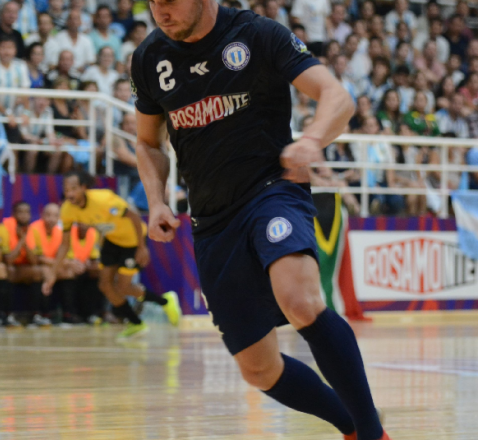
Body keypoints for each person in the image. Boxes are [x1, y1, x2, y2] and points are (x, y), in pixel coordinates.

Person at [131, 3, 388, 440]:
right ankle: (353, 426)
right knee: (259, 369)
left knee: (300, 301)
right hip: (211, 221)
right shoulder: (149, 58)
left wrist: (311, 140)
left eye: (171, 0)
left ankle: (371, 434)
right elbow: (147, 142)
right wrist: (156, 202)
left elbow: (338, 98)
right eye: (153, 2)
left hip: (272, 189)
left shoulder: (257, 33)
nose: (161, 11)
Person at [42, 170, 181, 336]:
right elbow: (65, 245)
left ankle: (165, 301)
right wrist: (52, 274)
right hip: (112, 240)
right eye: (66, 189)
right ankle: (136, 323)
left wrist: (142, 247)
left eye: (73, 188)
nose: (69, 193)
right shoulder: (67, 210)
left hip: (132, 241)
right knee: (105, 285)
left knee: (123, 287)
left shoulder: (104, 200)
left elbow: (134, 217)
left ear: (83, 187)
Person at [1, 201, 50, 327]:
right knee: (9, 270)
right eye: (20, 212)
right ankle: (8, 315)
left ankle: (36, 315)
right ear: (13, 214)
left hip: (23, 268)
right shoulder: (4, 228)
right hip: (8, 267)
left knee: (37, 271)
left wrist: (24, 240)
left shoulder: (33, 230)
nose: (24, 215)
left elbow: (34, 261)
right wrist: (21, 240)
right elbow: (9, 260)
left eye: (27, 212)